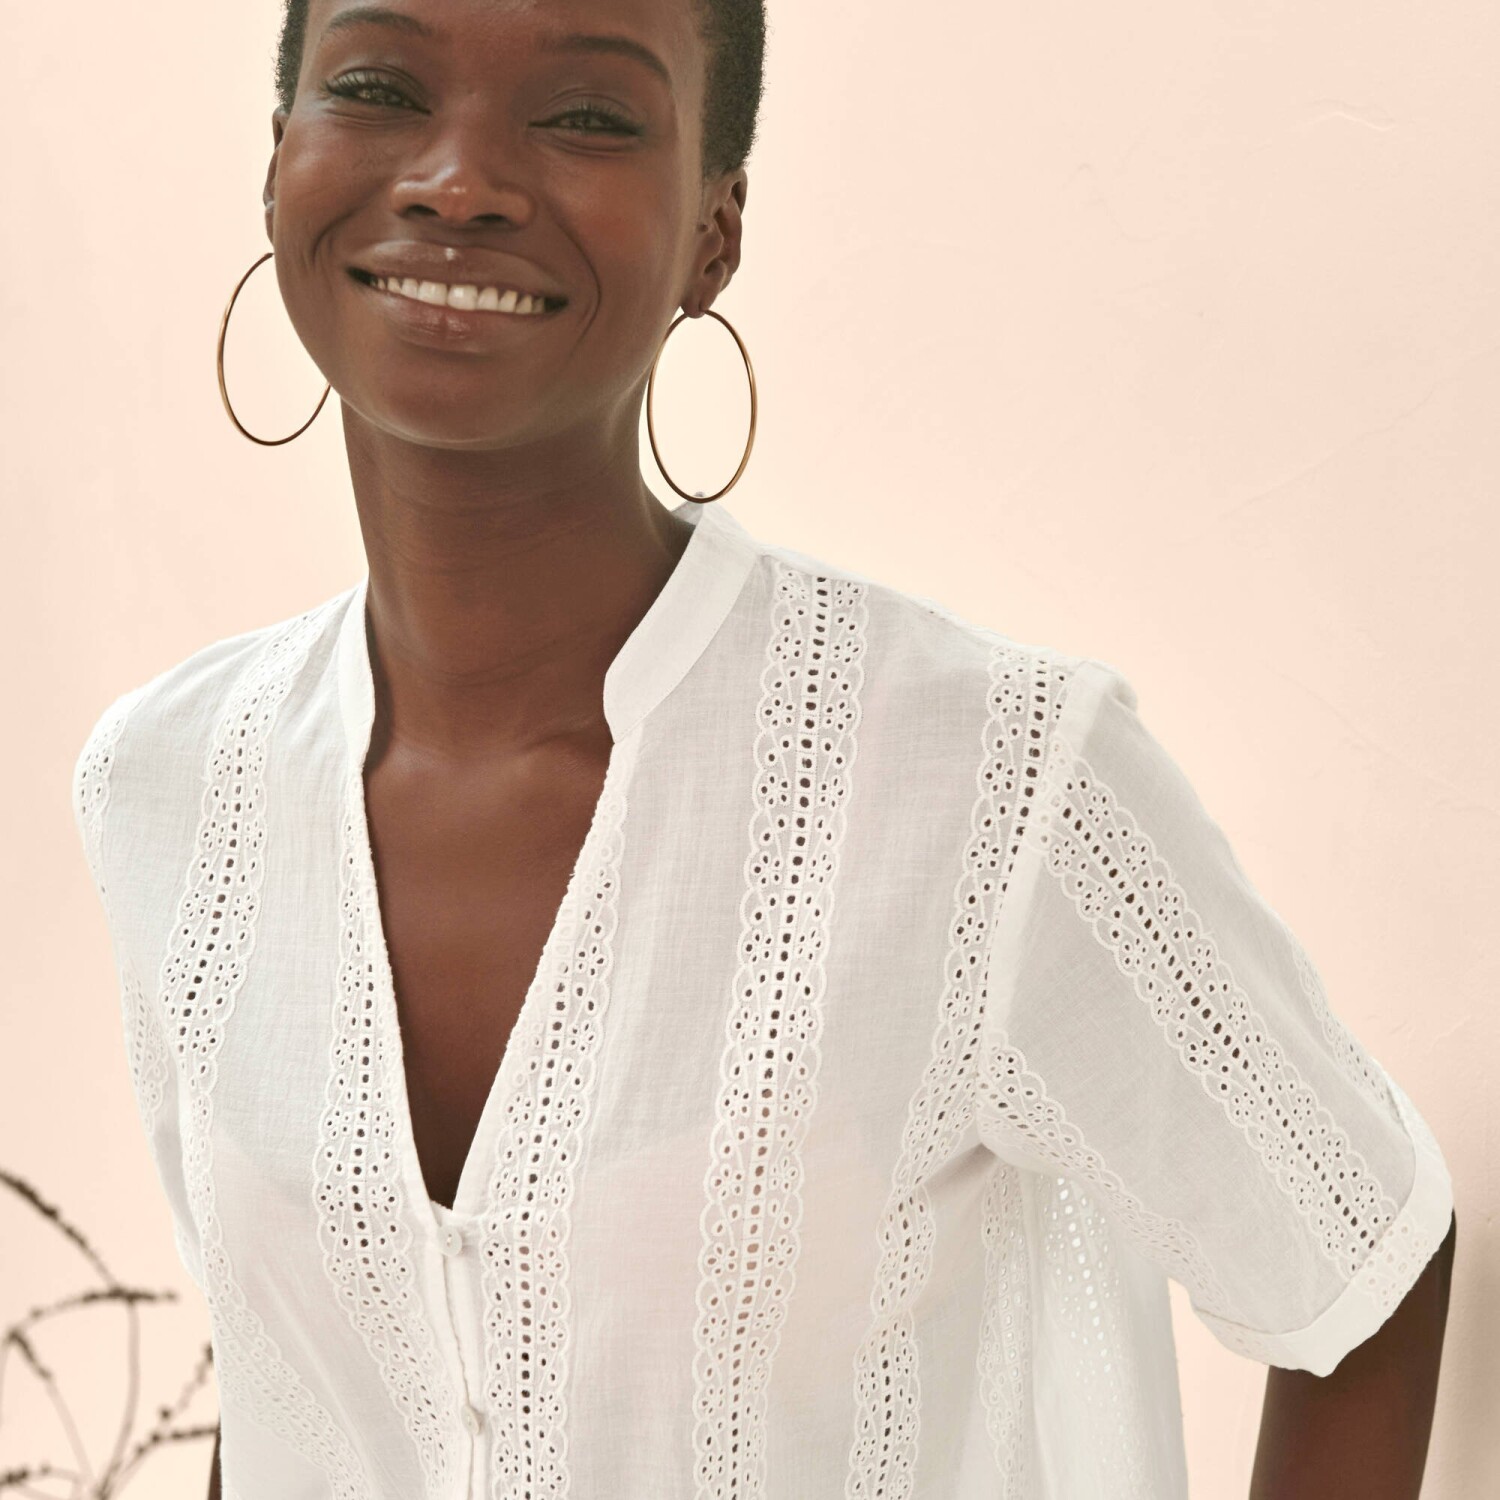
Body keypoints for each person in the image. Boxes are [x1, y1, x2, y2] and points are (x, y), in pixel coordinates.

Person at [70, 0, 1457, 1496]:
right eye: (379, 85)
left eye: (587, 115)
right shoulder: (168, 787)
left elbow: (1361, 1259)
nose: (459, 180)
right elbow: (292, 1379)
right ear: (278, 159)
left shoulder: (988, 782)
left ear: (711, 236)